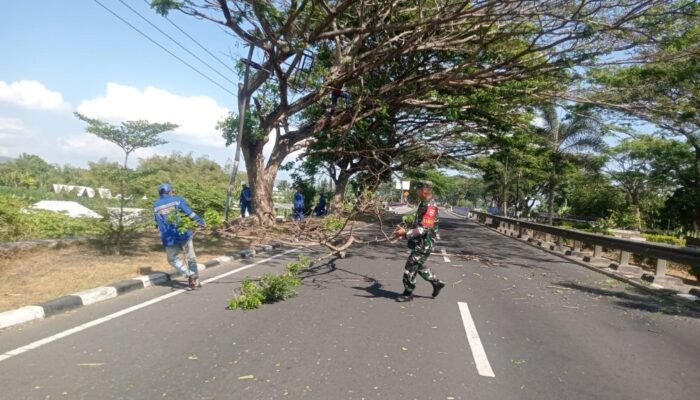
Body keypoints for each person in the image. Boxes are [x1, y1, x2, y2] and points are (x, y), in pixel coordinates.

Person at [392, 180, 445, 302]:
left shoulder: (430, 207)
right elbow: (418, 223)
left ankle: (408, 293)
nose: (416, 191)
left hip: (424, 243)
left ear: (424, 191)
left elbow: (424, 228)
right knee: (418, 265)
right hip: (420, 242)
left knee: (410, 267)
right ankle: (437, 283)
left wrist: (405, 233)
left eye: (418, 189)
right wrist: (405, 231)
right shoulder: (424, 203)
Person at [153, 183, 205, 290]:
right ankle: (196, 281)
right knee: (190, 257)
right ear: (169, 192)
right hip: (183, 233)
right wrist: (200, 222)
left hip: (168, 236)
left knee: (172, 259)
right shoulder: (177, 200)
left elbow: (157, 222)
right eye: (171, 190)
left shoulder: (156, 205)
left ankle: (188, 273)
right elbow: (189, 213)